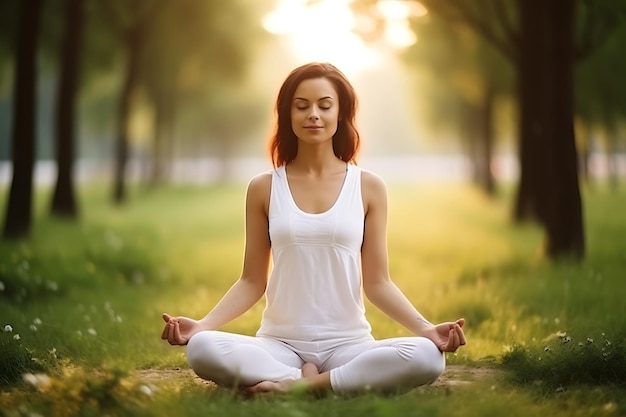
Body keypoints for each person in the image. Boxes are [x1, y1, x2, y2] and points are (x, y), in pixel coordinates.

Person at [161, 62, 466, 395]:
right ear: (287, 115)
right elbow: (251, 281)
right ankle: (314, 380)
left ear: (341, 113)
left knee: (427, 357)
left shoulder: (368, 187)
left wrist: (426, 330)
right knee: (202, 348)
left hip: (349, 345)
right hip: (279, 345)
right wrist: (203, 325)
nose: (313, 115)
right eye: (301, 106)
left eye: (325, 105)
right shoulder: (264, 187)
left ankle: (298, 386)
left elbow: (378, 283)